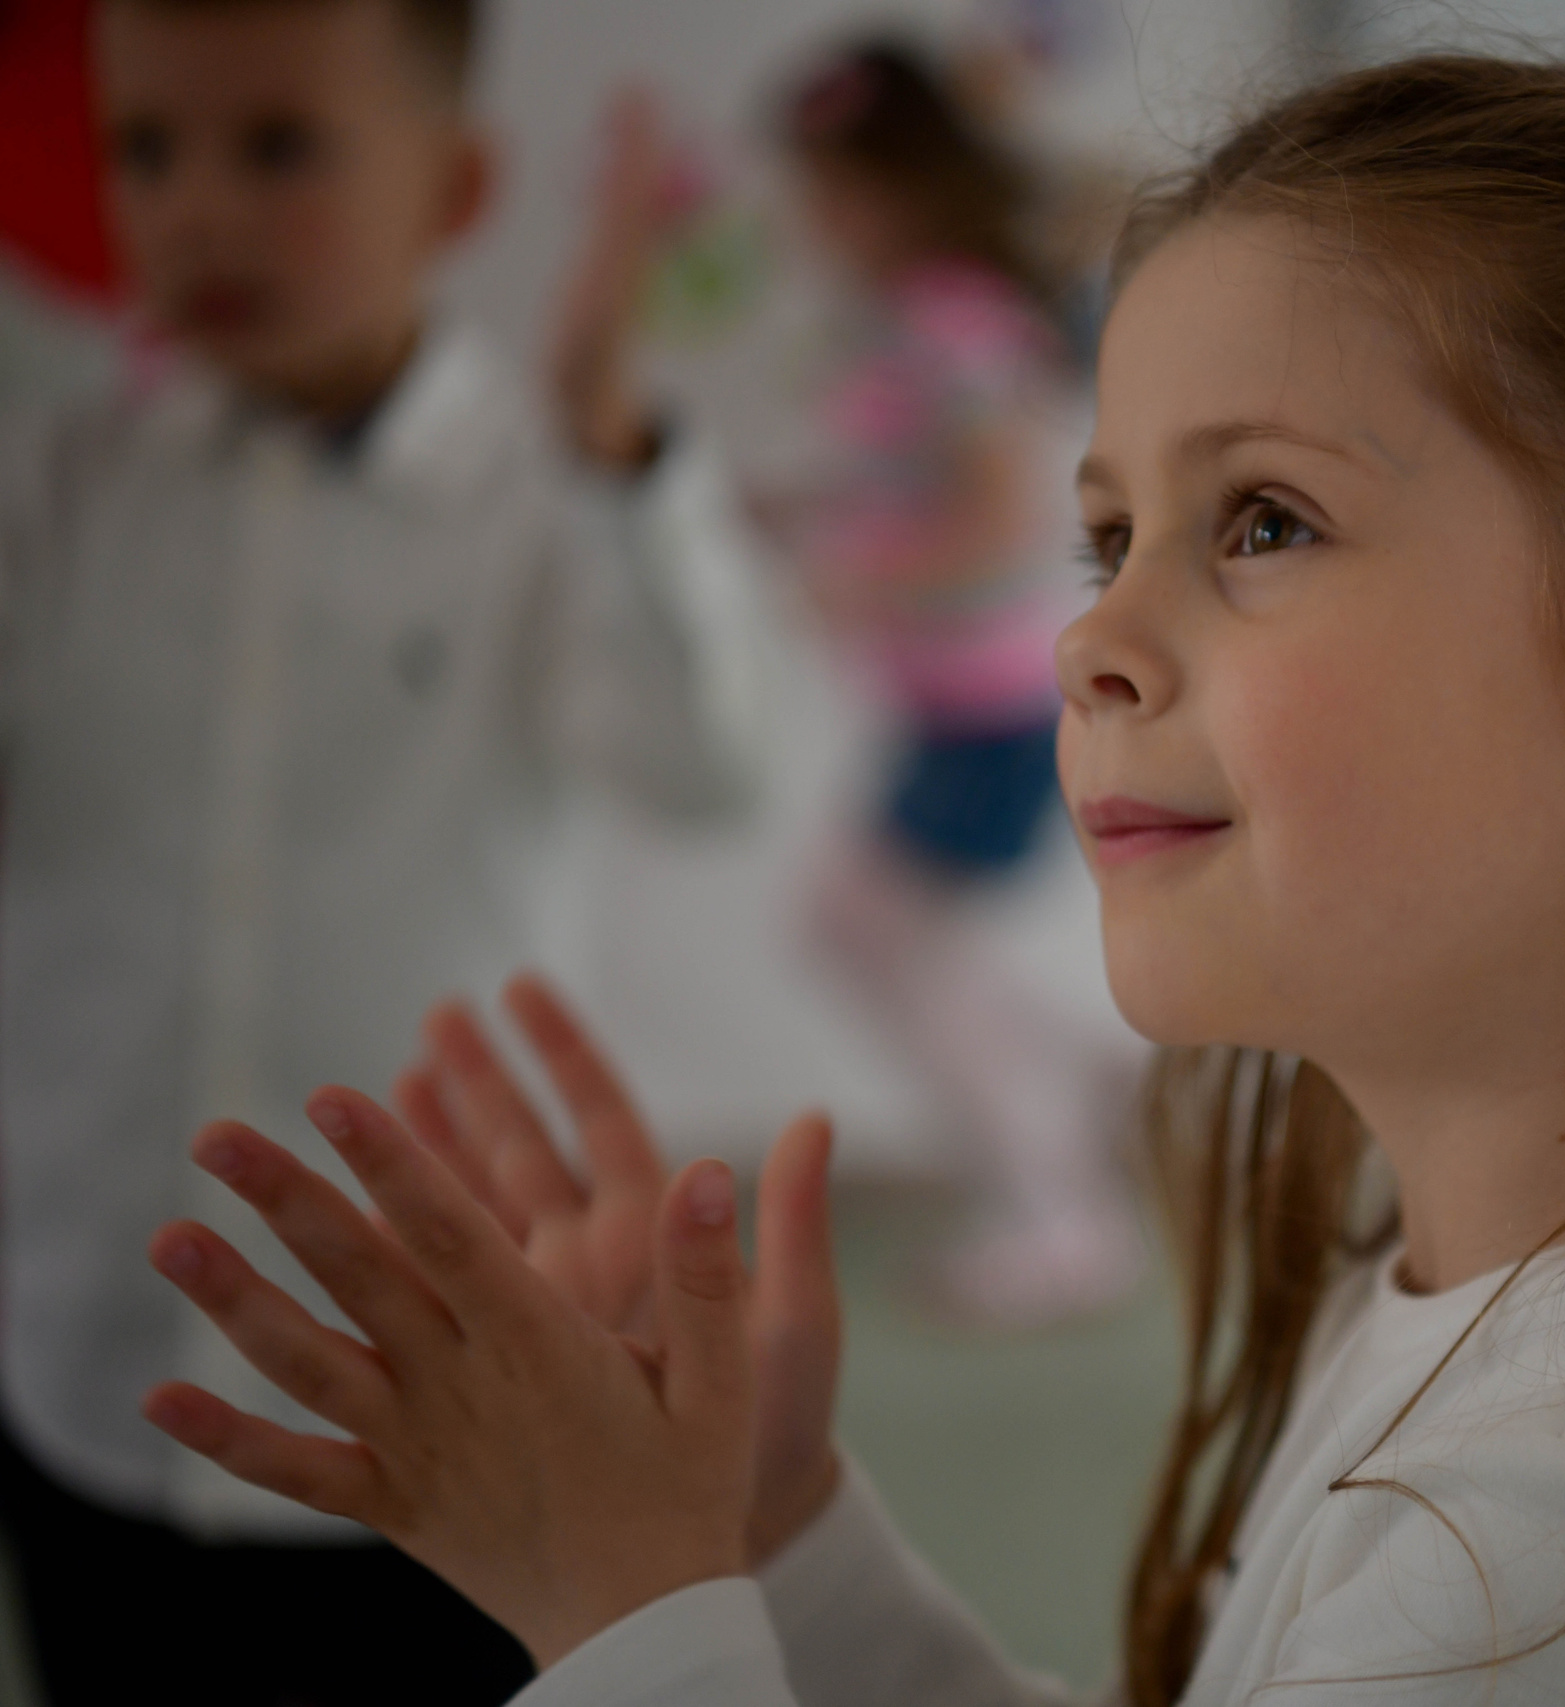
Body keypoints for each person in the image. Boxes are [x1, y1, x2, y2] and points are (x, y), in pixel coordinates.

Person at [131, 41, 1565, 1707]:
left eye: (1261, 520)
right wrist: (777, 1536)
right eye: (1108, 533)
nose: (1091, 634)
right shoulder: (1507, 1317)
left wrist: (632, 1622)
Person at [0, 0, 773, 1701]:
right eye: (148, 150)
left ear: (455, 185)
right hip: (91, 1355)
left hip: (437, 1390)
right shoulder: (54, 489)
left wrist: (614, 456)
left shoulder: (544, 491)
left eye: (278, 146)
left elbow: (709, 766)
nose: (201, 210)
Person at [756, 40, 1139, 1326]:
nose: (816, 222)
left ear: (900, 183)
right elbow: (916, 486)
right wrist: (802, 514)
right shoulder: (922, 318)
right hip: (961, 704)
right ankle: (1083, 1088)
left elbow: (996, 519)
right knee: (888, 936)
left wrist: (851, 579)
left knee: (871, 931)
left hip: (995, 706)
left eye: (831, 190)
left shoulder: (952, 321)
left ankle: (1063, 1213)